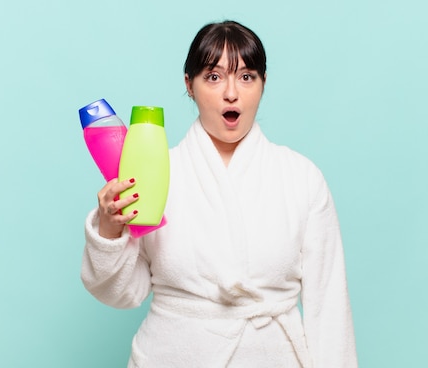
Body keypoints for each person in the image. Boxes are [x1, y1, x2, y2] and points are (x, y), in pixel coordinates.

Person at [81, 20, 358, 367]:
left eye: (246, 76)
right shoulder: (157, 174)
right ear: (189, 85)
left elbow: (329, 307)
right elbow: (120, 292)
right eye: (213, 76)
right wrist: (110, 230)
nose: (232, 92)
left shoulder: (301, 177)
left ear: (263, 84)